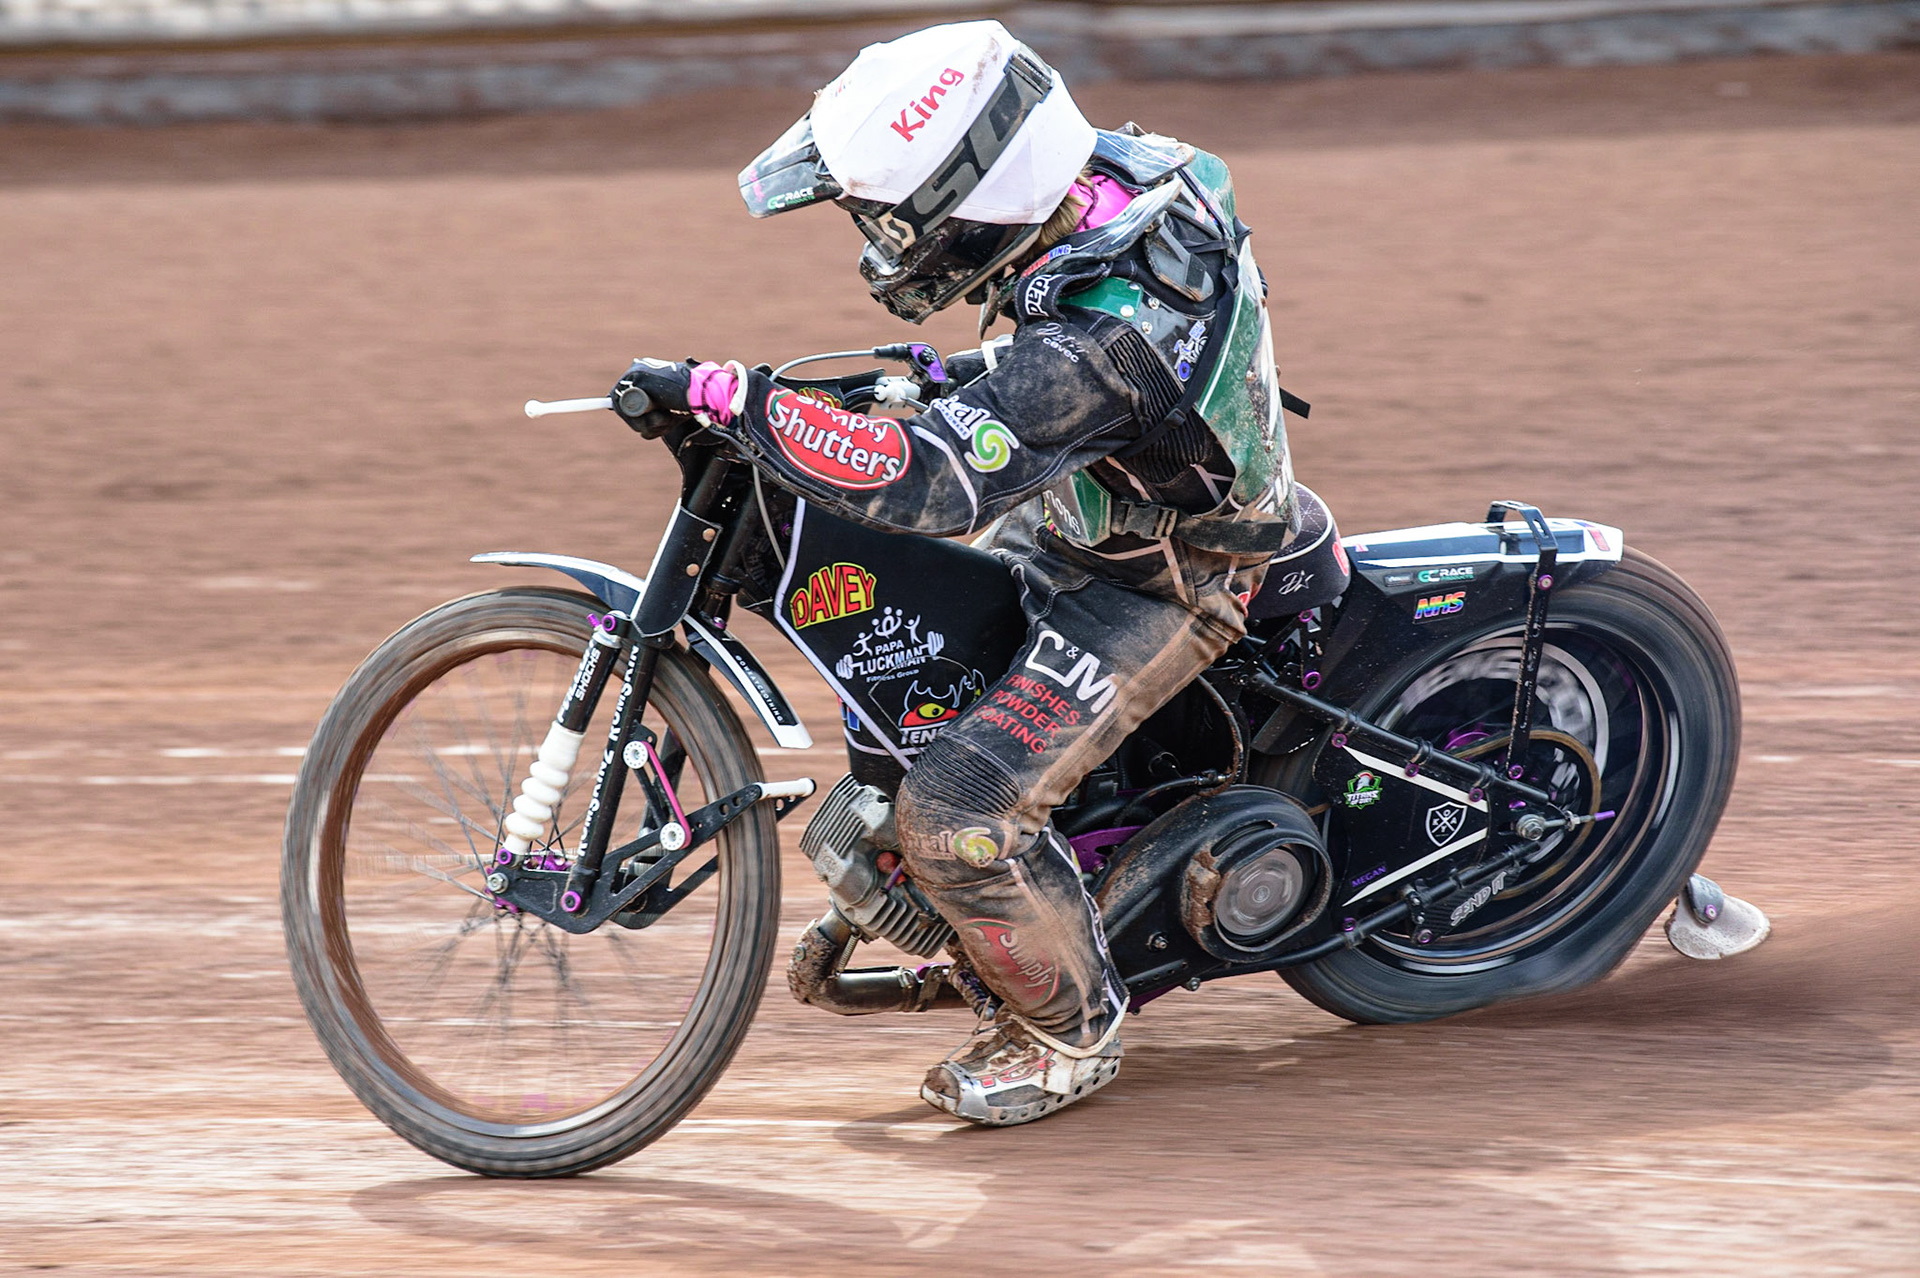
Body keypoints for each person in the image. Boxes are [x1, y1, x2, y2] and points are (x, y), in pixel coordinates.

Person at [613, 19, 1322, 1126]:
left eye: (896, 217)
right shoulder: (1129, 177)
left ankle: (1065, 1031)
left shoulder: (1099, 347)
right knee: (914, 664)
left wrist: (745, 402)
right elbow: (1048, 369)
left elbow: (934, 482)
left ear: (975, 202)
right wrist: (965, 375)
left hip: (1160, 581)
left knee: (955, 812)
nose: (884, 240)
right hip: (1093, 505)